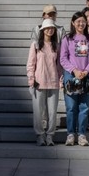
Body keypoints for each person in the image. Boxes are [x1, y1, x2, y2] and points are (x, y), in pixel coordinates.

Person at [59, 12, 89, 146]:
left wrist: (86, 71)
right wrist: (74, 70)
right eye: (78, 21)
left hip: (86, 76)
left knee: (84, 106)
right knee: (71, 107)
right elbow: (63, 58)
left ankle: (81, 134)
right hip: (71, 76)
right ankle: (70, 134)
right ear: (73, 22)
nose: (81, 24)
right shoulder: (67, 38)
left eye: (83, 21)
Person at [27, 18, 63, 146]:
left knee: (52, 111)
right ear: (42, 30)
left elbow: (59, 65)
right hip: (39, 82)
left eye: (52, 28)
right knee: (38, 111)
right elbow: (31, 64)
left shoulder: (57, 45)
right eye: (47, 28)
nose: (50, 30)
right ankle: (40, 135)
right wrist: (31, 79)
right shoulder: (36, 45)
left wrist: (60, 79)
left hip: (53, 81)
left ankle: (50, 135)